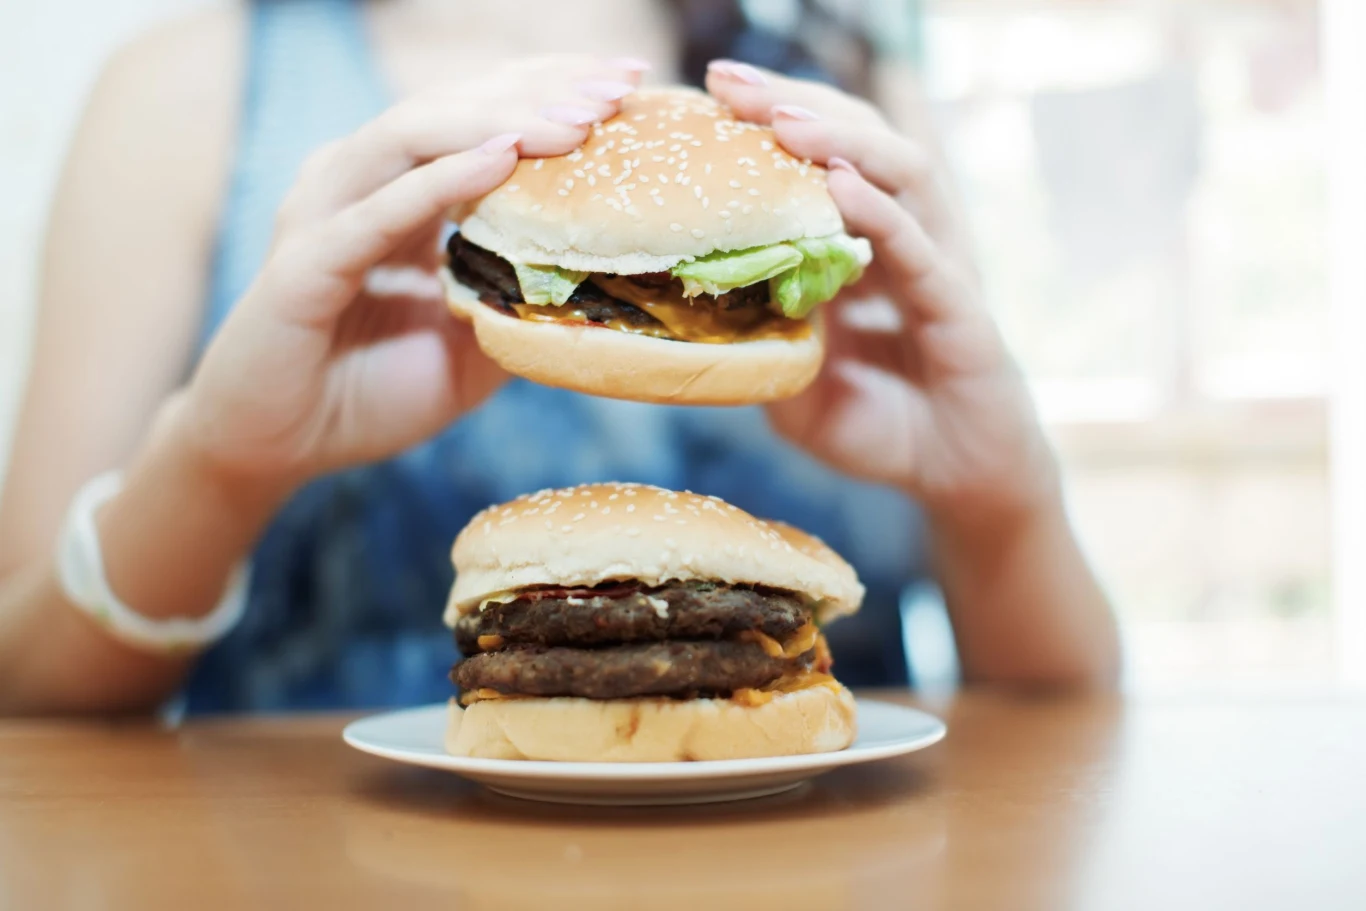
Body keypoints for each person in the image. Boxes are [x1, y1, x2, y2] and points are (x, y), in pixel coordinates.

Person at [0, 0, 1118, 715]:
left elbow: (1065, 727)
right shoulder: (189, 90)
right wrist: (217, 463)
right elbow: (24, 685)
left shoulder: (840, 81)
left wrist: (996, 494)